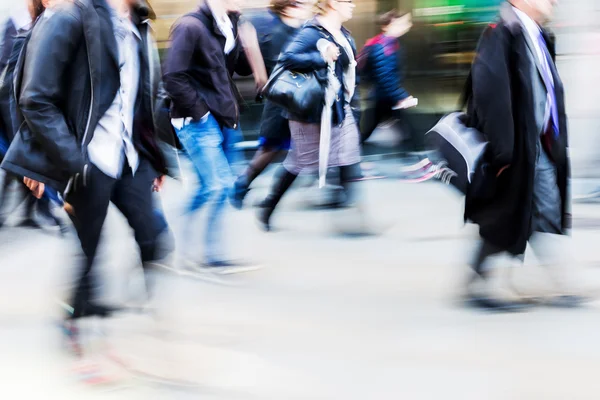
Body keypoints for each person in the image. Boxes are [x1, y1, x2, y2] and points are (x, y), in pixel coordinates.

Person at [2, 0, 172, 351]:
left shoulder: (139, 24)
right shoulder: (72, 18)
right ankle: (74, 321)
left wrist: (157, 159)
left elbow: (143, 99)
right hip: (86, 160)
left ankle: (118, 307)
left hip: (128, 157)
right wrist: (61, 162)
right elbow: (34, 98)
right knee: (90, 250)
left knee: (154, 236)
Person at [463, 0, 581, 310]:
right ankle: (480, 284)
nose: (551, 2)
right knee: (514, 213)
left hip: (539, 145)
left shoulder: (538, 34)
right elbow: (490, 93)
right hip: (516, 147)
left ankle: (559, 283)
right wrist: (504, 151)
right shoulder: (502, 32)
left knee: (535, 210)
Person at [163, 0, 259, 270]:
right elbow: (172, 75)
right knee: (218, 185)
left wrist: (247, 43)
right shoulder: (189, 26)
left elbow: (237, 69)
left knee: (214, 187)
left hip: (225, 117)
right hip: (199, 120)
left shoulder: (227, 24)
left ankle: (201, 251)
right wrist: (201, 113)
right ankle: (201, 252)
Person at [257, 0, 362, 231]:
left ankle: (354, 216)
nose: (353, 5)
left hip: (338, 107)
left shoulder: (343, 33)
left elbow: (349, 72)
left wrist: (354, 103)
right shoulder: (312, 32)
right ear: (333, 4)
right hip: (311, 110)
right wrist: (321, 58)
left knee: (349, 155)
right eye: (349, 1)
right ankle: (268, 206)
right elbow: (287, 58)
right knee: (300, 162)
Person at [230, 0, 314, 209]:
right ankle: (244, 185)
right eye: (301, 3)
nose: (307, 7)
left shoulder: (301, 29)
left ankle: (261, 193)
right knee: (271, 149)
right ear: (289, 6)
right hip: (282, 101)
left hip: (298, 100)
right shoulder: (276, 31)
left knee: (287, 150)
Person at [0, 0, 64, 231]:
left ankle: (35, 209)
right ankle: (40, 208)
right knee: (16, 159)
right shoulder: (21, 27)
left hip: (23, 111)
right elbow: (10, 83)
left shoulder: (48, 27)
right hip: (15, 110)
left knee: (16, 161)